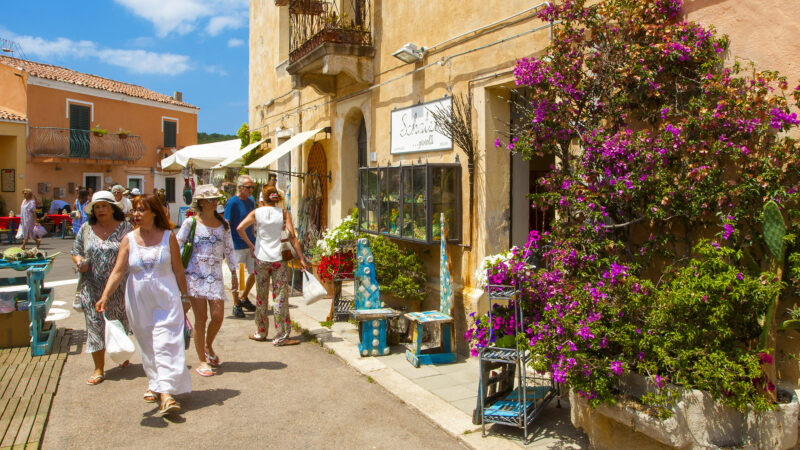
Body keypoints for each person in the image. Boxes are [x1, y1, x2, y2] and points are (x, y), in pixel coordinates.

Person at [96, 194, 191, 416]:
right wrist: (105, 295)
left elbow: (178, 270)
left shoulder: (168, 236)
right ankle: (155, 382)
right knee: (148, 345)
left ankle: (166, 394)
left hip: (166, 298)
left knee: (166, 343)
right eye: (135, 209)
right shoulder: (129, 239)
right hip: (139, 301)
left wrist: (185, 296)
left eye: (141, 210)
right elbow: (118, 270)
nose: (136, 214)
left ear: (154, 212)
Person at [71, 191, 134, 385]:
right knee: (94, 326)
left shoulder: (126, 228)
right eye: (97, 207)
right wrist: (79, 261)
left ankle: (121, 354)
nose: (100, 210)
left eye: (104, 206)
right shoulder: (86, 229)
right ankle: (99, 368)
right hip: (92, 288)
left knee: (120, 323)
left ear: (113, 208)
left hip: (120, 288)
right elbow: (76, 251)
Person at [176, 185, 238, 376]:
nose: (214, 202)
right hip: (194, 276)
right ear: (201, 202)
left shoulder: (224, 224)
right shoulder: (191, 223)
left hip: (215, 277)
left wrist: (234, 273)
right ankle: (202, 360)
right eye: (210, 199)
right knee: (200, 319)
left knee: (218, 317)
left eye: (215, 199)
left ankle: (208, 345)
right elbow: (177, 244)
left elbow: (229, 249)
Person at [237, 185, 306, 345]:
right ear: (277, 198)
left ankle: (261, 332)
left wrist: (251, 245)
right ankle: (281, 335)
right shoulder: (283, 213)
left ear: (263, 197)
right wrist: (301, 257)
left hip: (261, 258)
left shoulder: (256, 213)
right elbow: (292, 236)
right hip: (278, 260)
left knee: (261, 297)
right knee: (280, 297)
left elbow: (240, 228)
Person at [224, 175, 258, 318]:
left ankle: (243, 297)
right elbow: (227, 224)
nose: (251, 190)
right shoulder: (232, 203)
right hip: (236, 245)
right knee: (238, 276)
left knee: (255, 272)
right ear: (240, 187)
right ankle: (236, 303)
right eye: (248, 187)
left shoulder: (250, 201)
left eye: (252, 187)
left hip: (250, 243)